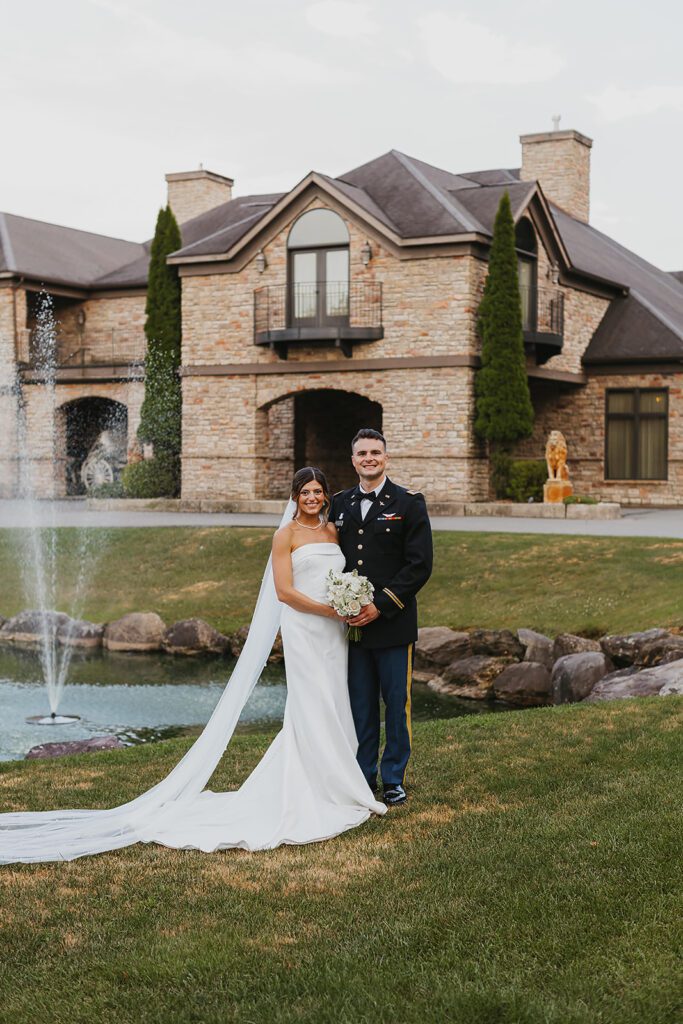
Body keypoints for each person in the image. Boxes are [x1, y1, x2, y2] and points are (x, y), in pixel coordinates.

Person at [0, 467, 385, 864]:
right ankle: (313, 788)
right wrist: (329, 610)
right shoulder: (284, 535)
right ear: (294, 496)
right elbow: (285, 592)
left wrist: (348, 603)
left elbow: (338, 575)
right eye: (305, 492)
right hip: (307, 629)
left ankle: (338, 781)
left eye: (318, 491)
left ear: (325, 496)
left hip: (334, 633)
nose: (312, 498)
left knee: (336, 700)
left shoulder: (332, 532)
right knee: (310, 703)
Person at [329, 429, 433, 806]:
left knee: (395, 703)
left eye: (375, 452)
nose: (368, 458)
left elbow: (420, 566)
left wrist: (381, 605)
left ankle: (393, 779)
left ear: (385, 458)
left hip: (393, 624)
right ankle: (361, 776)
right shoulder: (338, 504)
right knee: (360, 705)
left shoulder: (408, 503)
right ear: (353, 460)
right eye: (361, 453)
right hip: (353, 629)